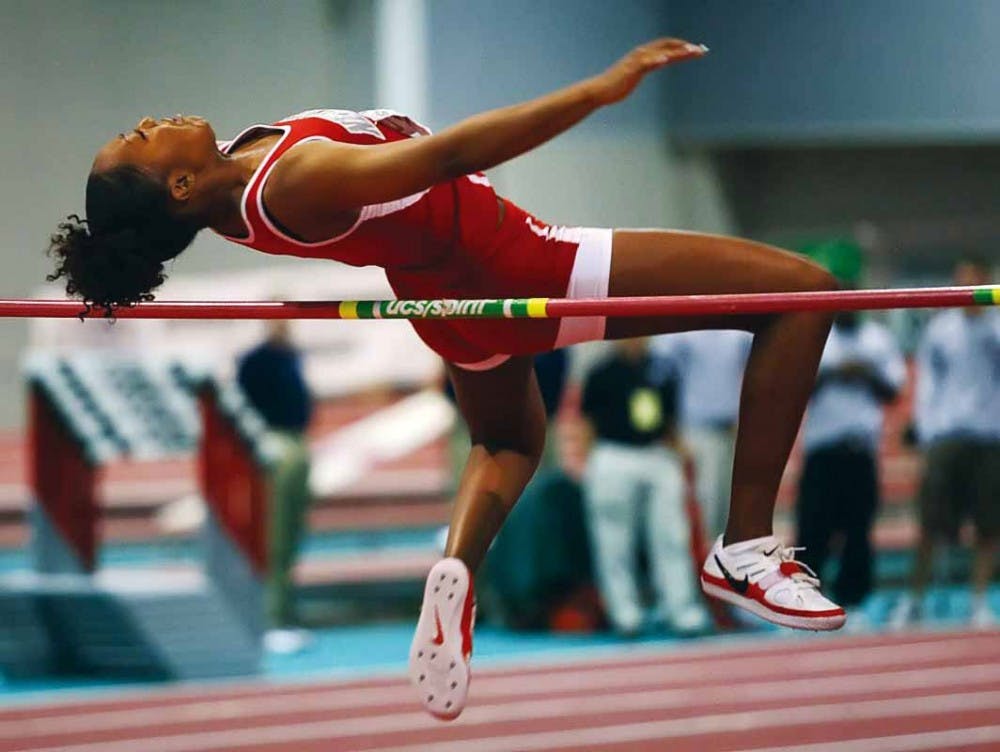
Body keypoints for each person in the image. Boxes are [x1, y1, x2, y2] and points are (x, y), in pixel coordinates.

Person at [48, 38, 844, 721]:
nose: (150, 122)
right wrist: (602, 90)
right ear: (179, 189)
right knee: (800, 296)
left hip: (441, 300)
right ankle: (742, 548)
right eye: (140, 138)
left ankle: (458, 560)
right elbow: (452, 155)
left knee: (506, 440)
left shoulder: (238, 183)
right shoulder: (290, 183)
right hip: (521, 268)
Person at [893, 256, 1000, 630]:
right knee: (931, 523)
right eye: (960, 279)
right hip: (947, 434)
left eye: (972, 278)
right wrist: (926, 430)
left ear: (985, 281)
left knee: (989, 525)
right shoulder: (941, 330)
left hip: (990, 435)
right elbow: (926, 383)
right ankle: (914, 600)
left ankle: (978, 601)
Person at [581, 338, 710, 636]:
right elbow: (588, 422)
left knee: (671, 534)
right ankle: (624, 611)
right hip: (614, 452)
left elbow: (671, 419)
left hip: (657, 452)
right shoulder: (601, 372)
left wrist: (681, 451)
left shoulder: (663, 369)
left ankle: (680, 607)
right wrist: (590, 464)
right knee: (613, 539)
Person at [796, 309, 905, 628]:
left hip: (860, 448)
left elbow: (894, 389)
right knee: (812, 531)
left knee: (858, 531)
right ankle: (805, 603)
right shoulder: (815, 338)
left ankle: (853, 602)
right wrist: (831, 373)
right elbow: (794, 387)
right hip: (821, 448)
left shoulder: (877, 339)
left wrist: (864, 373)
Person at [236, 318, 314, 653]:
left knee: (293, 533)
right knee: (275, 535)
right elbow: (242, 405)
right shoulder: (255, 360)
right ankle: (270, 618)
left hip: (297, 444)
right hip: (273, 445)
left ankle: (284, 614)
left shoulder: (293, 356)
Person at [651, 329, 751, 541]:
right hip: (696, 429)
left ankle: (720, 564)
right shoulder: (682, 334)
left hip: (730, 429)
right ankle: (700, 566)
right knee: (705, 505)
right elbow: (657, 377)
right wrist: (671, 429)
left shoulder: (737, 333)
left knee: (728, 508)